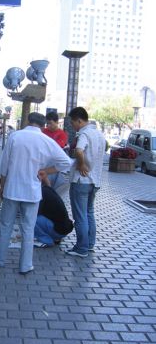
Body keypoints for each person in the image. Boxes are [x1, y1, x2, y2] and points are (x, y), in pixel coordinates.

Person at [0, 112, 71, 275]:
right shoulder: (47, 141)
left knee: (6, 225)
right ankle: (25, 265)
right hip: (32, 192)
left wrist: (3, 187)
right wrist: (45, 171)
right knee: (28, 228)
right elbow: (66, 163)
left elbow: (4, 166)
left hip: (12, 189)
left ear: (27, 120)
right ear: (43, 124)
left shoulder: (15, 136)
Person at [66, 106, 106, 257]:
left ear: (79, 120)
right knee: (89, 213)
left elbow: (79, 150)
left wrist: (81, 164)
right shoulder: (99, 135)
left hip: (81, 181)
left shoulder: (84, 134)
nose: (72, 125)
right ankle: (89, 244)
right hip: (94, 181)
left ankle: (81, 248)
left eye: (73, 122)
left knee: (80, 215)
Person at [34, 172, 74, 248]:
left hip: (58, 230)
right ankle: (55, 238)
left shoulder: (41, 193)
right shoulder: (48, 190)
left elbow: (35, 213)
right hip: (64, 228)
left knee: (31, 218)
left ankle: (46, 240)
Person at [42, 111, 69, 191]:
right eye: (47, 123)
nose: (48, 125)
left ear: (57, 122)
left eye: (50, 123)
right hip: (43, 162)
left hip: (53, 165)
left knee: (51, 186)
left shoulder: (62, 134)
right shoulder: (43, 131)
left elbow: (57, 148)